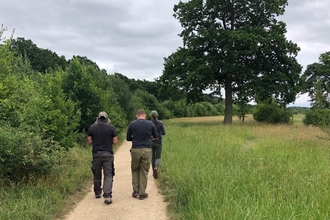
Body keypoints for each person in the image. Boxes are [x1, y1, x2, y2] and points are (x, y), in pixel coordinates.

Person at [87, 111, 118, 205]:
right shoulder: (111, 127)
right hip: (108, 154)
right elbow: (115, 141)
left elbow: (89, 141)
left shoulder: (92, 127)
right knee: (108, 175)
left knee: (96, 173)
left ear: (98, 118)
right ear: (107, 118)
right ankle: (108, 196)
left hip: (96, 153)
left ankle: (97, 192)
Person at [126, 109, 158, 200]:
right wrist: (149, 138)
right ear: (145, 115)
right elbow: (155, 136)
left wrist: (135, 138)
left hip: (135, 149)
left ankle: (135, 191)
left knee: (135, 169)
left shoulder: (132, 124)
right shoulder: (150, 124)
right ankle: (142, 193)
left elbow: (128, 138)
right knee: (144, 170)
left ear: (137, 115)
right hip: (146, 149)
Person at [150, 110, 166, 179]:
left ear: (151, 115)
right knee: (158, 156)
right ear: (157, 115)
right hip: (158, 142)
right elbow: (164, 133)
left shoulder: (149, 123)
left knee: (152, 156)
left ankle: (153, 169)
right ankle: (156, 167)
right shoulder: (160, 123)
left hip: (151, 142)